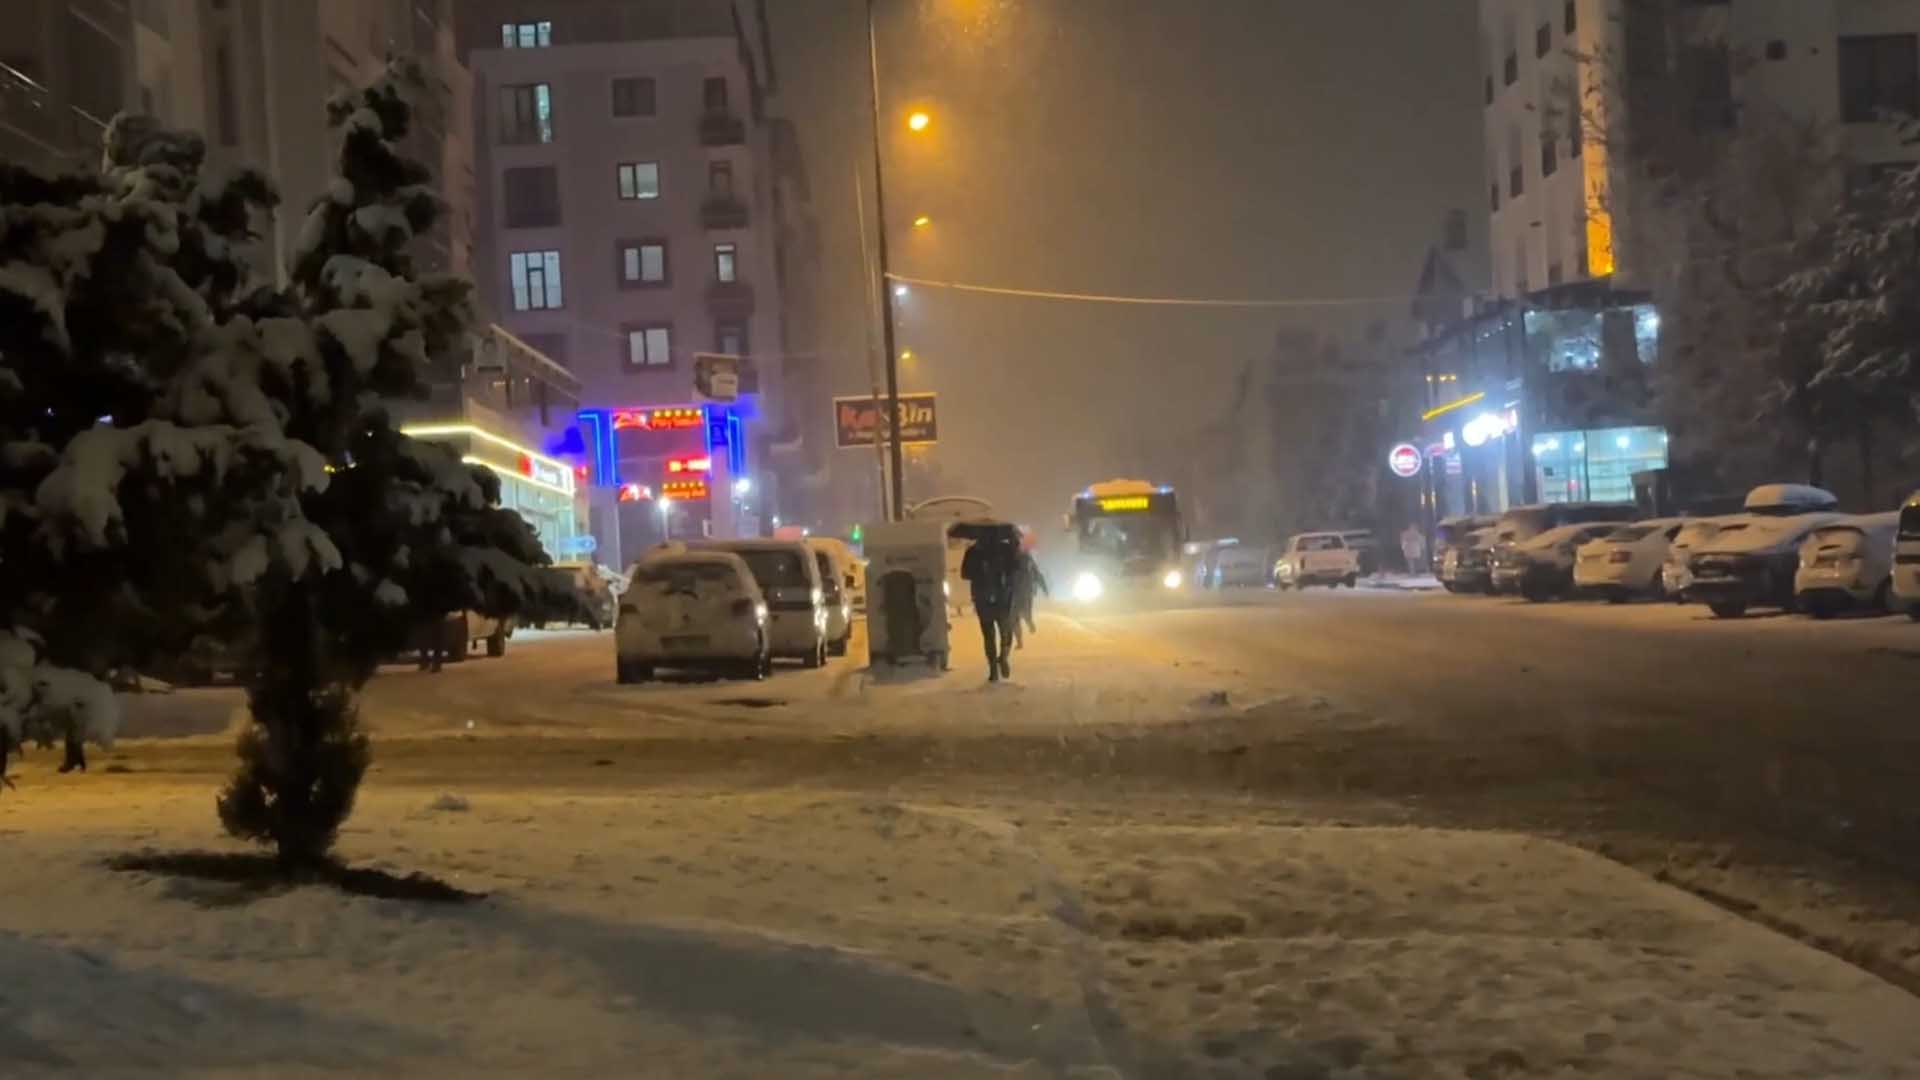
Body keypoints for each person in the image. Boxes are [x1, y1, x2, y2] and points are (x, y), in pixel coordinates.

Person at [960, 532, 1017, 681]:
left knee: (989, 634)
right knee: (1004, 631)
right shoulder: (1004, 548)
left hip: (984, 597)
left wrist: (979, 571)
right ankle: (1001, 659)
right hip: (1000, 597)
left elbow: (964, 574)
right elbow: (1014, 569)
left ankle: (994, 667)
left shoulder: (973, 551)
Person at [1010, 549, 1049, 649]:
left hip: (1014, 592)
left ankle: (1019, 640)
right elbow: (1037, 574)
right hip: (1027, 591)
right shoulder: (1028, 558)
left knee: (1014, 617)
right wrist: (1044, 588)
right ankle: (1029, 621)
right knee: (1024, 612)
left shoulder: (1008, 556)